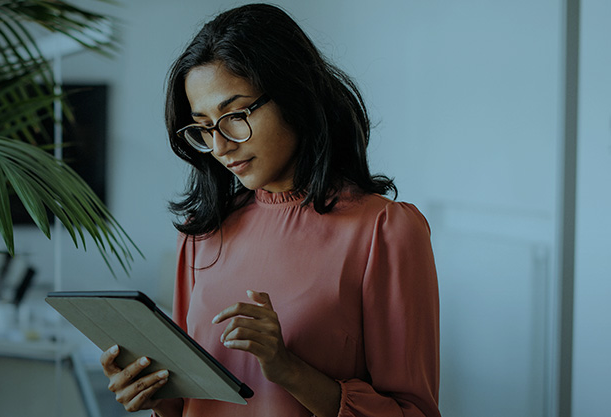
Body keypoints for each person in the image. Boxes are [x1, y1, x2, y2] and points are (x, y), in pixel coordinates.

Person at [100, 3, 440, 416]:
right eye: (204, 127)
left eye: (235, 115)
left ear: (295, 95)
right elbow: (193, 403)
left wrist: (287, 369)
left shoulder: (384, 231)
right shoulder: (202, 234)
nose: (221, 146)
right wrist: (156, 396)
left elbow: (413, 412)